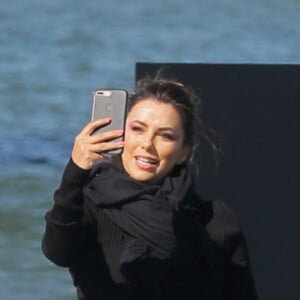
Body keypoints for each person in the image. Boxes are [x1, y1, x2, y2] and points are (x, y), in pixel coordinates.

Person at [42, 76, 258, 300]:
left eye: (165, 135)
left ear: (183, 150)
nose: (147, 144)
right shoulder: (90, 205)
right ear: (123, 133)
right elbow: (57, 250)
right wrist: (76, 170)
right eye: (138, 129)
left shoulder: (214, 221)